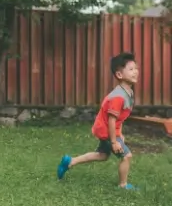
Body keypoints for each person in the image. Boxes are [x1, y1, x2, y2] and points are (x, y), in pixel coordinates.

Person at [57, 52, 138, 190]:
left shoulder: (128, 92)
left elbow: (120, 118)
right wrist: (114, 141)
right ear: (119, 75)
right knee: (127, 156)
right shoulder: (118, 97)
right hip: (106, 131)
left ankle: (70, 161)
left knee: (102, 155)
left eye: (136, 68)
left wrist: (120, 134)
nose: (135, 71)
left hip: (108, 130)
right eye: (131, 69)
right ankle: (123, 185)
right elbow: (112, 121)